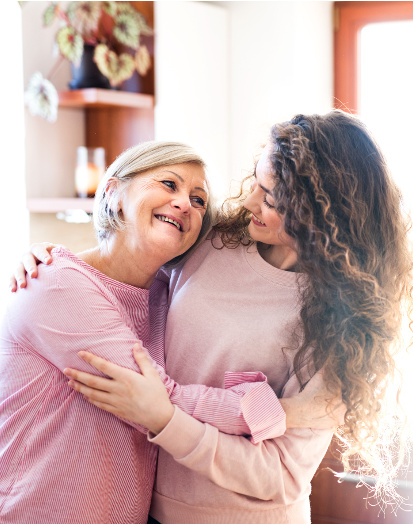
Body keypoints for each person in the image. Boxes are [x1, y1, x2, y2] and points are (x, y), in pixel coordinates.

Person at [12, 110, 409, 523]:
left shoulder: (343, 322)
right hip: (151, 510)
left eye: (271, 199)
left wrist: (165, 418)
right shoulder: (217, 241)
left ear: (318, 218)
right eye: (257, 182)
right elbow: (130, 265)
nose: (250, 201)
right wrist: (50, 258)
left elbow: (282, 477)